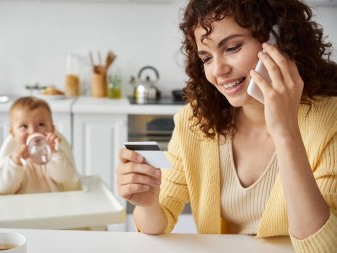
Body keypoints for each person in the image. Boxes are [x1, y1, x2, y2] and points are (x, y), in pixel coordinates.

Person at [116, 0, 337, 252]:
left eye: (232, 47)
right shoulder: (195, 122)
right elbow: (158, 221)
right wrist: (148, 204)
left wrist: (285, 132)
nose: (218, 70)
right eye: (207, 57)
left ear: (279, 41)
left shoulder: (330, 120)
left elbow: (325, 247)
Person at [0, 96, 81, 194]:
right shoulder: (11, 163)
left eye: (41, 124)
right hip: (22, 208)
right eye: (24, 126)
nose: (33, 131)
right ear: (13, 133)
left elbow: (66, 177)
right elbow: (4, 189)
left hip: (54, 207)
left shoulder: (53, 157)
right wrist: (16, 162)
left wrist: (54, 152)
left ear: (51, 129)